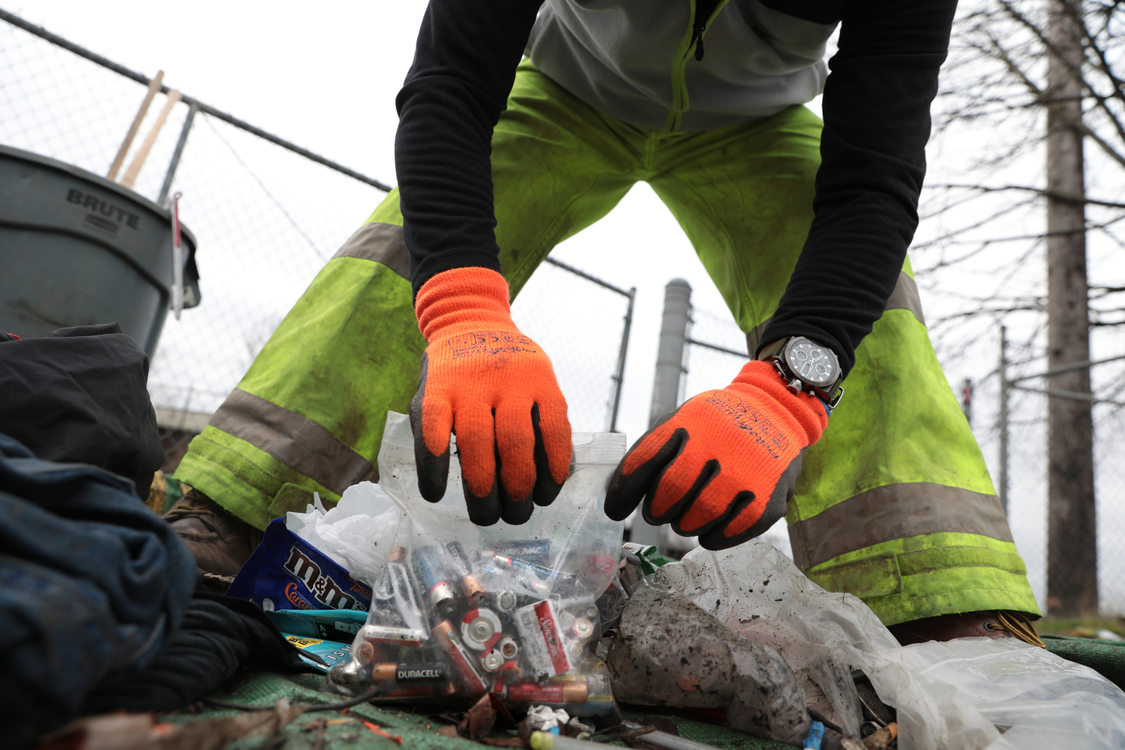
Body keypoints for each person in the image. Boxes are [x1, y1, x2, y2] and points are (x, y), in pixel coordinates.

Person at [166, 0, 1044, 645]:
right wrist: (465, 308)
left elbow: (870, 188)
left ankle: (939, 605)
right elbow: (449, 94)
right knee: (407, 252)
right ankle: (236, 510)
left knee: (869, 307)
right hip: (565, 84)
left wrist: (787, 393)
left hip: (757, 120)